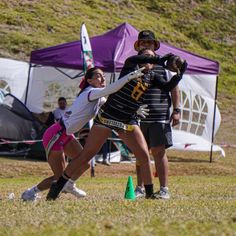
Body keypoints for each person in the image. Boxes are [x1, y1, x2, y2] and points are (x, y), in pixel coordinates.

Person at [46, 49, 187, 200]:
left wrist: (179, 75)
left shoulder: (152, 75)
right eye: (145, 56)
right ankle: (58, 186)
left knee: (144, 155)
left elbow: (166, 87)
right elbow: (148, 60)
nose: (148, 59)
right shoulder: (131, 64)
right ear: (139, 57)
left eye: (151, 57)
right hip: (108, 115)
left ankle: (149, 193)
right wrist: (160, 59)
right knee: (87, 154)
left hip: (127, 118)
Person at [21, 67, 144, 201]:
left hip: (66, 134)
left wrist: (134, 111)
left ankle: (69, 184)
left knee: (84, 163)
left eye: (103, 75)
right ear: (89, 80)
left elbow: (114, 107)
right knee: (59, 176)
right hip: (55, 134)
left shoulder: (98, 96)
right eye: (98, 76)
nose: (103, 78)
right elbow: (111, 89)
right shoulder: (90, 92)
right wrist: (127, 78)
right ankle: (31, 192)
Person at [133, 30, 182, 199]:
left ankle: (164, 189)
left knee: (159, 153)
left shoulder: (165, 65)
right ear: (138, 46)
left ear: (155, 46)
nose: (146, 46)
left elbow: (174, 89)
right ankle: (139, 188)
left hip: (160, 117)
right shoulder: (132, 65)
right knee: (140, 154)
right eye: (143, 43)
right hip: (138, 118)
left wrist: (176, 111)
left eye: (149, 43)